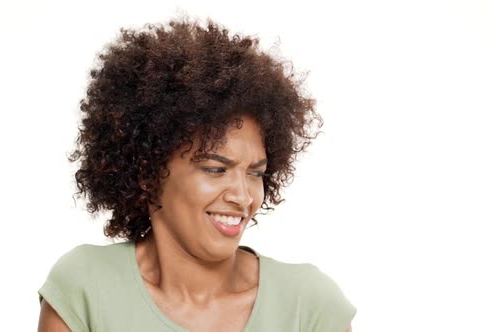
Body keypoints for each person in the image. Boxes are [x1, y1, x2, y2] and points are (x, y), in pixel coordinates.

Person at [38, 18, 356, 332]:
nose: (243, 196)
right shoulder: (85, 290)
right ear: (148, 172)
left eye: (256, 174)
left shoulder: (309, 305)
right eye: (216, 170)